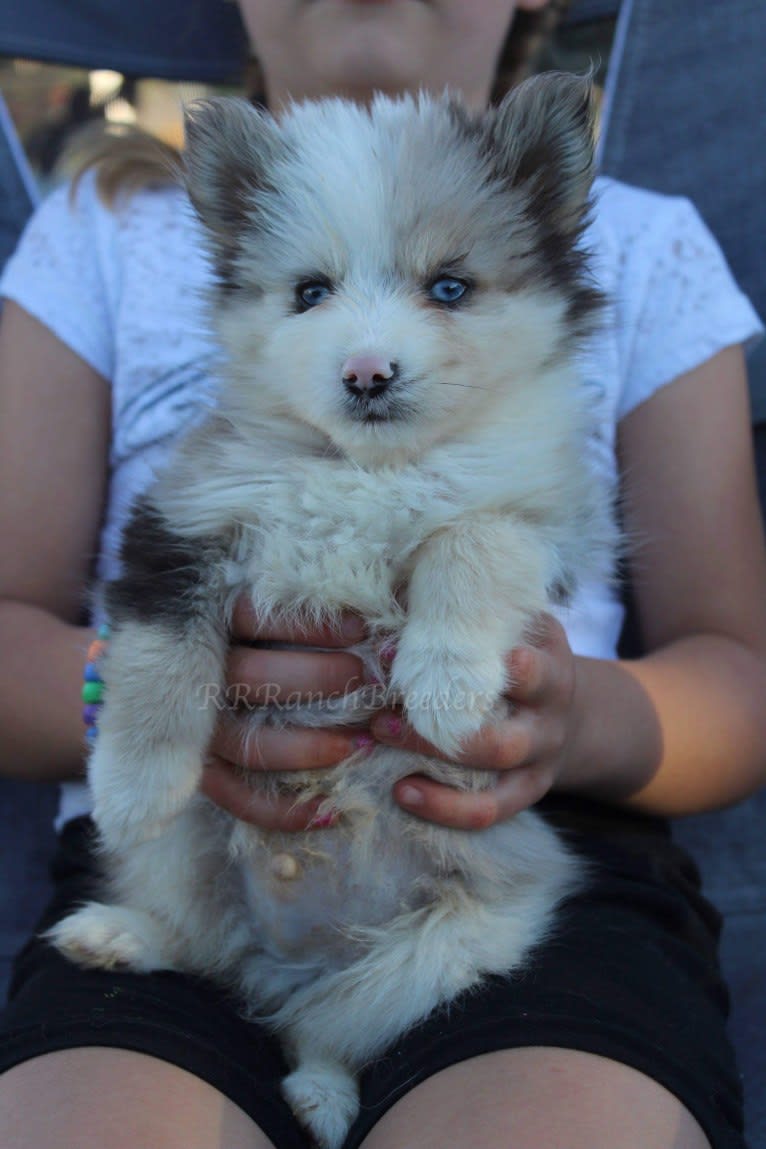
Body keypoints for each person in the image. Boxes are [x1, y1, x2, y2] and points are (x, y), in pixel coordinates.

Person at [0, 1, 765, 1147]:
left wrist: (570, 718)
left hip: (500, 854)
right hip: (188, 854)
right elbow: (131, 590)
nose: (369, 357)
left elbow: (739, 672)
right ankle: (287, 1028)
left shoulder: (651, 248)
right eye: (308, 292)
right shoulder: (104, 231)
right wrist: (151, 708)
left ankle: (327, 1051)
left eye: (447, 287)